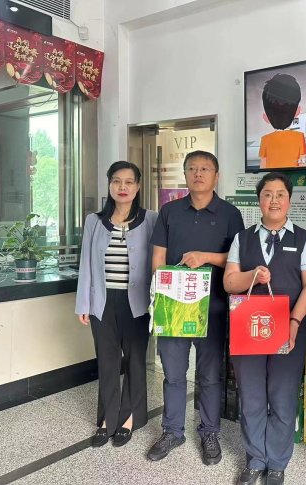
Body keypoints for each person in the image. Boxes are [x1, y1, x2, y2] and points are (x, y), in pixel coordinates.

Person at [147, 150, 244, 465]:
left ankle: (210, 432)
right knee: (173, 374)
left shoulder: (230, 214)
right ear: (185, 174)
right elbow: (158, 257)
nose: (198, 174)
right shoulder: (170, 211)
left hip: (212, 310)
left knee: (210, 376)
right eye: (192, 169)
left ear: (217, 176)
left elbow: (238, 260)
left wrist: (205, 257)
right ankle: (172, 431)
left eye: (205, 169)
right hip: (173, 307)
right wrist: (161, 294)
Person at [224, 172, 306, 485]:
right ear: (259, 200)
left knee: (282, 396)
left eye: (280, 194)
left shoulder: (304, 239)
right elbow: (229, 282)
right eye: (267, 194)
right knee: (251, 397)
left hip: (289, 330)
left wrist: (294, 322)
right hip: (248, 329)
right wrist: (252, 275)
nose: (274, 200)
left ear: (289, 200)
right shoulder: (242, 238)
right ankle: (255, 460)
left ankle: (277, 463)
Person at [75, 161, 157, 448]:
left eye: (129, 182)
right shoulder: (94, 221)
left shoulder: (151, 219)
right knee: (107, 361)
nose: (123, 187)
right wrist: (83, 303)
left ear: (138, 186)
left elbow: (159, 261)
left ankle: (129, 418)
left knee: (135, 361)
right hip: (103, 302)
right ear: (109, 185)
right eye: (117, 181)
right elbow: (86, 264)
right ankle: (107, 420)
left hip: (138, 304)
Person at [259, 73, 306, 169]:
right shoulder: (299, 137)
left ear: (266, 117)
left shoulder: (265, 139)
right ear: (297, 112)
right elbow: (302, 163)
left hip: (272, 176)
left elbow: (263, 166)